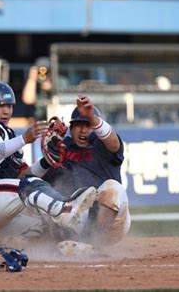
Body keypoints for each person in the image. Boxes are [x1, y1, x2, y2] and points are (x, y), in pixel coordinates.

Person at [0, 82, 97, 245]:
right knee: (30, 186)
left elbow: (23, 175)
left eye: (9, 106)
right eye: (0, 106)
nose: (6, 111)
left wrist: (47, 161)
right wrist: (24, 139)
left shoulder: (7, 135)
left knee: (42, 225)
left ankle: (13, 248)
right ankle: (67, 211)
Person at [43, 94, 131, 247]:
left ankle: (94, 244)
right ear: (71, 128)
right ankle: (69, 245)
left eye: (88, 125)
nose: (83, 130)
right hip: (73, 221)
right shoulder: (62, 148)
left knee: (113, 189)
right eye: (78, 125)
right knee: (39, 200)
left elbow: (114, 143)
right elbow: (35, 182)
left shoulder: (102, 145)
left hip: (111, 220)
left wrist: (92, 117)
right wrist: (46, 161)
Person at [22, 57, 54, 123]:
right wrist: (32, 79)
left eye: (46, 71)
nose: (43, 73)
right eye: (40, 71)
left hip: (55, 120)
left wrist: (53, 88)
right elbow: (28, 100)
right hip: (37, 121)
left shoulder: (60, 81)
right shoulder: (33, 84)